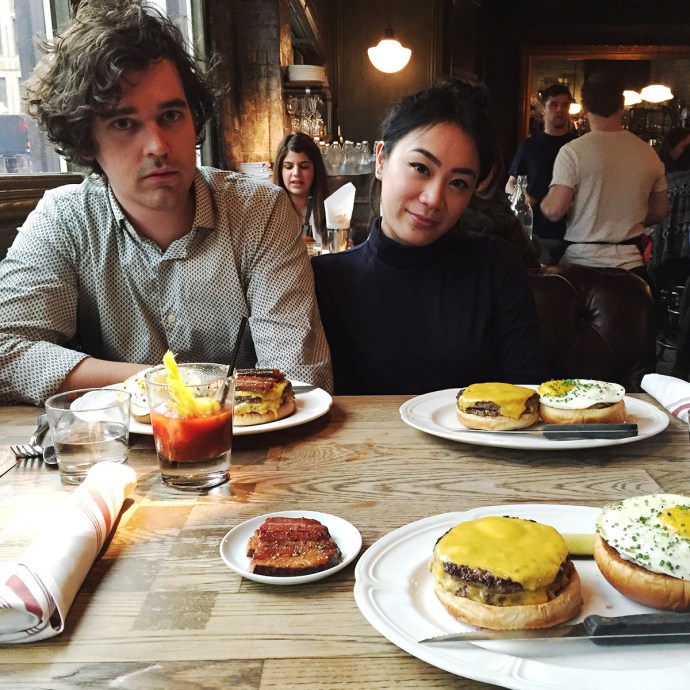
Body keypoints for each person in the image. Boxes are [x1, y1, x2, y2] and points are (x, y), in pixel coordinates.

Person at [0, 0, 332, 405]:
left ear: (194, 118)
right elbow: (5, 350)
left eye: (171, 115)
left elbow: (299, 382)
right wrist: (166, 385)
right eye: (124, 123)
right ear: (86, 141)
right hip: (115, 444)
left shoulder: (259, 211)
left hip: (248, 441)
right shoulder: (63, 220)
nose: (157, 146)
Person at [312, 80, 546, 395]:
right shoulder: (327, 280)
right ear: (381, 159)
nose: (434, 199)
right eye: (421, 168)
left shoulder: (496, 266)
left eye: (458, 183)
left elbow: (526, 390)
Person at [541, 69, 668, 282]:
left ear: (584, 106)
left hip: (579, 266)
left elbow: (555, 211)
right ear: (622, 105)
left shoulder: (573, 152)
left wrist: (539, 203)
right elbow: (659, 211)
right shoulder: (648, 153)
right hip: (630, 268)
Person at [505, 83, 576, 265]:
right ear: (543, 109)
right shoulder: (529, 146)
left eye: (565, 105)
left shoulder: (578, 147)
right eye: (554, 104)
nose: (559, 110)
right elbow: (509, 185)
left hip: (573, 234)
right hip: (537, 233)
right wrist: (523, 196)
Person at [273, 132, 328, 245]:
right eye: (288, 167)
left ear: (315, 169)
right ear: (280, 171)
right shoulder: (270, 214)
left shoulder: (331, 210)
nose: (296, 173)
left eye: (304, 167)